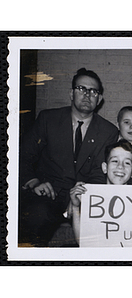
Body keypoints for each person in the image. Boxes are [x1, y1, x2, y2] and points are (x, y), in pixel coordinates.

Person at [19, 68, 119, 246]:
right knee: (36, 215)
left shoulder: (109, 131)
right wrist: (34, 182)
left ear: (100, 99)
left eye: (93, 91)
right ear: (71, 93)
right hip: (47, 193)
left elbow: (99, 174)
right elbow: (23, 156)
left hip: (83, 196)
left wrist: (80, 200)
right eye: (81, 89)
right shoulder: (48, 119)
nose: (87, 95)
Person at [70, 139, 132, 244]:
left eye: (127, 163)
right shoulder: (93, 198)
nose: (120, 166)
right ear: (105, 168)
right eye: (115, 161)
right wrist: (75, 207)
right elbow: (82, 242)